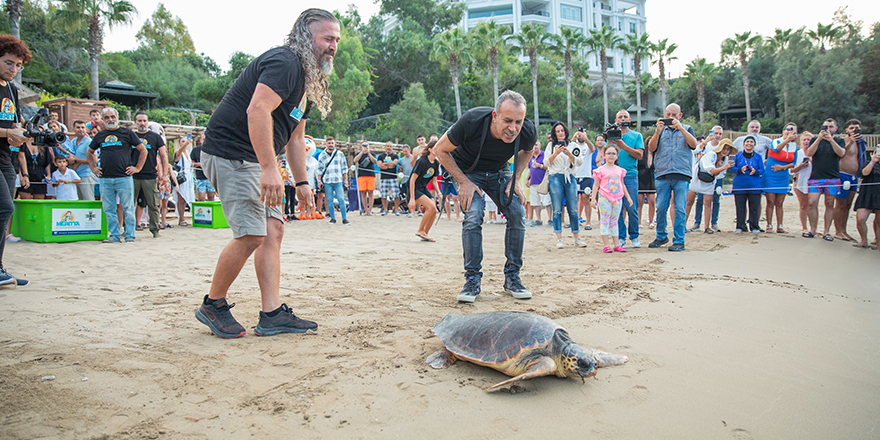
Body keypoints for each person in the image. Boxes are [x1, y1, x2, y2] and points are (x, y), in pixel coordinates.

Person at [194, 8, 332, 338]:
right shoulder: (286, 62)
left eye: (336, 39)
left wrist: (301, 182)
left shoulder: (306, 81)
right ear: (305, 35)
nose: (333, 45)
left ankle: (272, 314)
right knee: (252, 234)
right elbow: (256, 109)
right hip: (233, 153)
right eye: (327, 37)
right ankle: (212, 304)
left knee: (272, 230)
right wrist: (270, 168)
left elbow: (295, 137)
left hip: (254, 157)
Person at [435, 90, 536, 303]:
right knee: (473, 215)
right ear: (495, 116)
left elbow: (527, 151)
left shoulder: (527, 130)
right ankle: (472, 279)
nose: (513, 128)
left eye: (518, 121)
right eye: (507, 120)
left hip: (499, 171)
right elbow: (440, 150)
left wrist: (515, 178)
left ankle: (512, 278)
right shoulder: (472, 121)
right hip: (467, 170)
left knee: (517, 213)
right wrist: (463, 182)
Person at [87, 107, 147, 243]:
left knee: (128, 207)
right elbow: (89, 152)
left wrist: (137, 168)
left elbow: (143, 150)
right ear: (103, 119)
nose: (110, 120)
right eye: (107, 117)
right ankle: (114, 235)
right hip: (105, 178)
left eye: (112, 117)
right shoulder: (100, 135)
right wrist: (93, 168)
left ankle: (130, 235)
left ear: (117, 117)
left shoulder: (127, 133)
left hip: (124, 177)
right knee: (109, 209)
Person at [647, 104, 697, 251]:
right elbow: (651, 148)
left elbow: (694, 145)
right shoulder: (660, 130)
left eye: (674, 115)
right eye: (668, 114)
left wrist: (680, 128)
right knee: (661, 207)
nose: (670, 118)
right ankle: (661, 235)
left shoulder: (687, 129)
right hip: (663, 173)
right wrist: (657, 130)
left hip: (682, 173)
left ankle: (679, 240)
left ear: (680, 115)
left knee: (680, 207)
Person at [545, 121, 586, 249]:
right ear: (554, 134)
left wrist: (569, 154)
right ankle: (559, 238)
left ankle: (576, 237)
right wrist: (556, 153)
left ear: (566, 131)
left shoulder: (573, 145)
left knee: (573, 209)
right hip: (555, 176)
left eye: (562, 130)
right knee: (557, 209)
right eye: (557, 131)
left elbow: (579, 162)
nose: (560, 133)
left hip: (570, 176)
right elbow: (546, 163)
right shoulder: (551, 146)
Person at [805, 118, 846, 241]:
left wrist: (831, 139)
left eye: (831, 127)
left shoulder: (839, 140)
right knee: (812, 203)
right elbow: (809, 153)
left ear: (835, 128)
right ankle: (812, 229)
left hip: (832, 177)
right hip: (816, 176)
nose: (828, 129)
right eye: (825, 127)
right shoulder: (814, 140)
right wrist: (819, 138)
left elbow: (841, 153)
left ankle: (826, 231)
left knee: (829, 204)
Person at [609, 110, 644, 249]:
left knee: (632, 207)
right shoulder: (611, 136)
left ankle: (634, 236)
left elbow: (639, 155)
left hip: (630, 175)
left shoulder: (637, 136)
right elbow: (607, 152)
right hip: (613, 175)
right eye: (620, 117)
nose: (622, 119)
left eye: (625, 117)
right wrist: (610, 140)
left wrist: (623, 146)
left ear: (629, 120)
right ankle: (621, 236)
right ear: (616, 120)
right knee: (617, 208)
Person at [132, 112, 168, 238]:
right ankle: (129, 230)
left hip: (150, 175)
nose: (142, 123)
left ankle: (155, 230)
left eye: (144, 120)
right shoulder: (132, 136)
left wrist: (164, 175)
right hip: (133, 175)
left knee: (153, 204)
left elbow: (163, 156)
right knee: (129, 204)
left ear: (148, 122)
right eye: (139, 120)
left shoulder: (155, 137)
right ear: (135, 122)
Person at [591, 145, 633, 252]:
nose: (611, 155)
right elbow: (596, 185)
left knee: (615, 221)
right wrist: (593, 199)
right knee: (605, 221)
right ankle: (606, 245)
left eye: (613, 153)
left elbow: (622, 184)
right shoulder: (600, 170)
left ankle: (616, 244)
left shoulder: (619, 170)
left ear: (617, 156)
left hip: (617, 198)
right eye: (608, 153)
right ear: (604, 155)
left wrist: (628, 197)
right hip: (605, 197)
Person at [690, 138, 736, 234]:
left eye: (728, 149)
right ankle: (684, 225)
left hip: (710, 181)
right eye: (724, 148)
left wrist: (720, 167)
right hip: (697, 178)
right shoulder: (711, 155)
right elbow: (711, 170)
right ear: (720, 148)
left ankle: (707, 227)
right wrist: (723, 167)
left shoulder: (725, 159)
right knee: (689, 202)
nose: (725, 151)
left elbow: (719, 175)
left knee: (708, 203)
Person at [763, 123, 798, 233]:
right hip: (771, 174)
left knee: (780, 202)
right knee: (770, 201)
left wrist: (783, 167)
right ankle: (769, 225)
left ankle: (780, 225)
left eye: (793, 131)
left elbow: (794, 163)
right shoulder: (776, 141)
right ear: (783, 131)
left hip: (783, 174)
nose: (790, 132)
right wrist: (787, 140)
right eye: (788, 130)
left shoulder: (794, 146)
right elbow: (777, 149)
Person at [835, 119, 865, 241]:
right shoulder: (844, 140)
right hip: (843, 175)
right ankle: (838, 231)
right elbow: (840, 154)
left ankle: (844, 230)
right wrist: (850, 142)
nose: (854, 130)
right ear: (847, 130)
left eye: (856, 128)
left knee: (847, 205)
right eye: (852, 128)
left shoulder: (861, 143)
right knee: (840, 204)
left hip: (854, 177)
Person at [693, 126, 724, 231]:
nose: (717, 135)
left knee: (715, 200)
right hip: (703, 175)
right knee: (700, 200)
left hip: (717, 175)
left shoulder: (723, 147)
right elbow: (698, 153)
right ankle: (697, 223)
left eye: (720, 133)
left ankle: (713, 222)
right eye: (716, 133)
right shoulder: (707, 146)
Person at [732, 136, 765, 234]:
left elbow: (762, 169)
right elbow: (731, 168)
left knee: (754, 207)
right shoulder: (737, 155)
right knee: (740, 207)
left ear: (754, 144)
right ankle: (740, 226)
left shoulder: (758, 156)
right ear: (743, 144)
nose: (749, 143)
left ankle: (754, 226)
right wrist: (739, 169)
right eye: (747, 141)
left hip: (754, 185)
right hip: (739, 185)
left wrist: (756, 171)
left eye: (751, 142)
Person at [409, 140, 440, 241]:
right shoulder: (422, 161)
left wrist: (439, 193)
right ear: (430, 149)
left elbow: (434, 181)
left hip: (423, 187)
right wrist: (412, 198)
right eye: (435, 147)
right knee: (431, 207)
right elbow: (412, 180)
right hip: (414, 187)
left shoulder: (435, 163)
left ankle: (425, 234)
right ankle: (420, 230)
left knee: (434, 210)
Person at [316, 136, 350, 225]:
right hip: (327, 180)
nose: (331, 145)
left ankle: (344, 218)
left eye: (332, 143)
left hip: (338, 179)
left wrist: (345, 180)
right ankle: (332, 218)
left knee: (341, 199)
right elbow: (319, 169)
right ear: (326, 144)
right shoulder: (322, 155)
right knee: (329, 200)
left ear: (334, 144)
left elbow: (344, 168)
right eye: (329, 143)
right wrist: (319, 180)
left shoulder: (340, 154)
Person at [852, 147, 880, 251]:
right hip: (867, 194)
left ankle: (878, 244)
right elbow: (863, 173)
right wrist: (873, 161)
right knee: (860, 219)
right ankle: (864, 240)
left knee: (879, 222)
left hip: (879, 195)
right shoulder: (869, 162)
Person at [63, 120, 95, 201]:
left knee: (89, 200)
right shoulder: (73, 141)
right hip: (74, 175)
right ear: (73, 129)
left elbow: (94, 160)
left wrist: (76, 160)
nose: (80, 129)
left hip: (86, 175)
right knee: (77, 201)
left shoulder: (89, 142)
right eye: (78, 127)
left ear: (86, 129)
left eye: (82, 127)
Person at [572, 129, 596, 229]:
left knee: (586, 198)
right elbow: (567, 146)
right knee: (576, 199)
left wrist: (585, 138)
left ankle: (588, 222)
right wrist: (574, 137)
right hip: (575, 175)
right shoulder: (573, 146)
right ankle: (577, 219)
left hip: (586, 175)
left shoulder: (587, 146)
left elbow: (593, 148)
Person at [792, 132, 814, 236]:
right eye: (804, 140)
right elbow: (791, 170)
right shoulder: (797, 153)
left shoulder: (815, 154)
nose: (806, 142)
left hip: (813, 182)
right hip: (800, 181)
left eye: (808, 140)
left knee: (813, 205)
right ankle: (804, 227)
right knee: (803, 205)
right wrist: (800, 166)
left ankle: (813, 228)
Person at [526, 140, 551, 227]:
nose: (535, 147)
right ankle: (538, 219)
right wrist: (527, 179)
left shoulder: (544, 155)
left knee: (547, 202)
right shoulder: (531, 156)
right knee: (535, 203)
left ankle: (550, 219)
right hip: (533, 182)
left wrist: (540, 165)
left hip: (543, 182)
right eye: (533, 145)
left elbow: (549, 167)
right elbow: (530, 169)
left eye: (536, 145)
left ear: (540, 145)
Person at [172, 136, 195, 226]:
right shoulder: (178, 153)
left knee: (188, 198)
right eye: (182, 141)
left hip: (188, 178)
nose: (185, 142)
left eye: (185, 141)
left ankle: (187, 217)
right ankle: (181, 218)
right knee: (181, 198)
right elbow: (179, 152)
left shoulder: (187, 153)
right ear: (179, 143)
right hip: (181, 178)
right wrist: (186, 144)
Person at [376, 141, 400, 216]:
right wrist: (389, 165)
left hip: (393, 177)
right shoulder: (381, 156)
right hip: (383, 177)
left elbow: (395, 163)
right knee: (383, 195)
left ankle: (396, 209)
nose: (389, 147)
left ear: (392, 148)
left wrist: (385, 164)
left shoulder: (395, 155)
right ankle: (385, 209)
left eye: (390, 146)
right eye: (388, 146)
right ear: (385, 147)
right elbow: (379, 165)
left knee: (396, 194)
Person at [190, 131, 216, 202]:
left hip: (210, 177)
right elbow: (192, 164)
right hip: (200, 178)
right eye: (204, 139)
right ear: (200, 140)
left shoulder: (212, 150)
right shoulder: (195, 150)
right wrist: (200, 164)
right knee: (201, 198)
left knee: (211, 197)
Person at [637, 138, 656, 229]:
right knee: (639, 202)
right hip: (640, 177)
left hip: (651, 178)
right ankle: (639, 222)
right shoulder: (641, 154)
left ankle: (651, 221)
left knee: (652, 201)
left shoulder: (655, 154)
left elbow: (652, 166)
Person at [353, 141, 377, 215]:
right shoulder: (358, 154)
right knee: (363, 193)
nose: (365, 147)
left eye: (366, 146)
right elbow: (355, 160)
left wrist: (368, 153)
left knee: (370, 192)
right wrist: (362, 152)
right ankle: (365, 209)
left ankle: (370, 210)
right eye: (363, 146)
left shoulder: (372, 154)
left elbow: (374, 161)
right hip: (361, 175)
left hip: (371, 175)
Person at [398, 145, 414, 216]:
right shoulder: (401, 160)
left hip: (413, 179)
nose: (404, 153)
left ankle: (418, 210)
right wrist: (399, 169)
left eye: (406, 151)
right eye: (403, 151)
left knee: (415, 195)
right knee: (407, 195)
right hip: (405, 180)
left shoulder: (414, 158)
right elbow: (400, 170)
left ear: (409, 150)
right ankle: (409, 209)